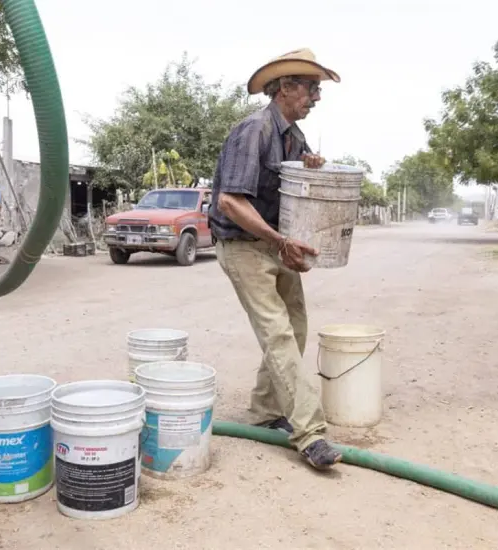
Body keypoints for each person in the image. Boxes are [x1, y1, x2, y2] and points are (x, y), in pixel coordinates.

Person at [208, 49, 342, 470]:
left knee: (296, 327)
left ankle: (267, 410)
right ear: (285, 87)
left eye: (317, 89)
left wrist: (310, 172)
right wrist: (280, 240)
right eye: (311, 88)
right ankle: (309, 432)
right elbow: (230, 202)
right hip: (243, 245)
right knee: (278, 333)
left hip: (273, 242)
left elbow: (291, 198)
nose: (316, 97)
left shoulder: (295, 138)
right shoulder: (253, 130)